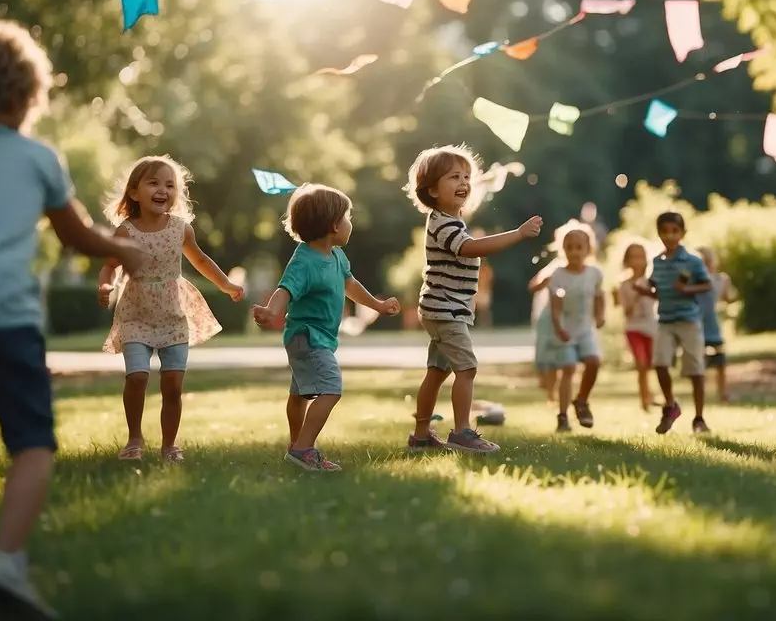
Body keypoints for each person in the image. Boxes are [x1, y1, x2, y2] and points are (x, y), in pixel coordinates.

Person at [0, 13, 146, 616]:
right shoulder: (35, 157)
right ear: (22, 93)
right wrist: (123, 250)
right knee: (32, 442)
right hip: (2, 316)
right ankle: (5, 560)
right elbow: (77, 237)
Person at [97, 155, 245, 464]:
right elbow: (110, 266)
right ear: (135, 192)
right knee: (136, 377)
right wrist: (106, 286)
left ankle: (169, 445)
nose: (163, 189)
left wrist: (227, 285)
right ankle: (134, 438)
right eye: (153, 183)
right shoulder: (125, 232)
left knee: (173, 385)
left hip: (173, 315)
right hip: (135, 314)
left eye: (169, 184)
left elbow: (201, 261)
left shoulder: (181, 229)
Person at [403, 145, 542, 454]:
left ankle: (422, 435)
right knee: (467, 369)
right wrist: (517, 234)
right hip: (445, 310)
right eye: (454, 177)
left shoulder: (450, 219)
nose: (463, 182)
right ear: (431, 190)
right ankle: (462, 431)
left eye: (466, 176)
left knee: (437, 373)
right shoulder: (444, 223)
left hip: (444, 309)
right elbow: (471, 248)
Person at [252, 184, 399, 471]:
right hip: (306, 337)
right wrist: (272, 310)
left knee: (300, 393)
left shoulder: (336, 257)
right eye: (348, 218)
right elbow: (286, 289)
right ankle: (304, 449)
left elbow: (351, 286)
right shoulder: (304, 260)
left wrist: (377, 306)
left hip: (312, 338)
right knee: (330, 388)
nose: (350, 224)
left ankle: (296, 445)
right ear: (333, 225)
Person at [641, 212, 713, 435]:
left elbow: (707, 285)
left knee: (695, 370)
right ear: (659, 233)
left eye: (674, 231)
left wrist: (687, 289)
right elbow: (656, 290)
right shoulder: (657, 261)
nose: (669, 236)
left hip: (688, 320)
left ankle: (699, 418)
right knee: (660, 363)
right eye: (664, 231)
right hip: (665, 320)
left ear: (683, 233)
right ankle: (671, 405)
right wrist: (641, 289)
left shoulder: (692, 261)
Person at [548, 224, 605, 432]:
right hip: (565, 330)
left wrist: (600, 315)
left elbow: (600, 296)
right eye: (569, 247)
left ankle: (581, 400)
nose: (574, 252)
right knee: (569, 368)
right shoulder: (558, 275)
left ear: (588, 249)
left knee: (594, 361)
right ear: (563, 249)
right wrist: (558, 327)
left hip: (585, 329)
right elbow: (554, 308)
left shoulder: (595, 273)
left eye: (579, 247)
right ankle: (562, 417)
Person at [617, 242, 657, 411]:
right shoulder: (624, 285)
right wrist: (637, 295)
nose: (638, 260)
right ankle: (644, 401)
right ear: (627, 260)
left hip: (652, 327)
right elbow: (626, 312)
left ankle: (651, 394)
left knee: (652, 364)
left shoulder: (652, 282)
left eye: (641, 256)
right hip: (633, 328)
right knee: (641, 365)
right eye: (633, 257)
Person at [695, 246, 737, 403]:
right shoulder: (695, 280)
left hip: (713, 325)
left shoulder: (720, 279)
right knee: (700, 362)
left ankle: (723, 392)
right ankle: (702, 392)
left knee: (720, 361)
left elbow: (727, 297)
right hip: (698, 326)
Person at [528, 257, 564, 402]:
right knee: (548, 356)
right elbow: (533, 286)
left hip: (567, 317)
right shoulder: (555, 267)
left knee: (563, 356)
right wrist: (543, 284)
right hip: (548, 317)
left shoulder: (587, 270)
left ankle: (556, 392)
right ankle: (549, 390)